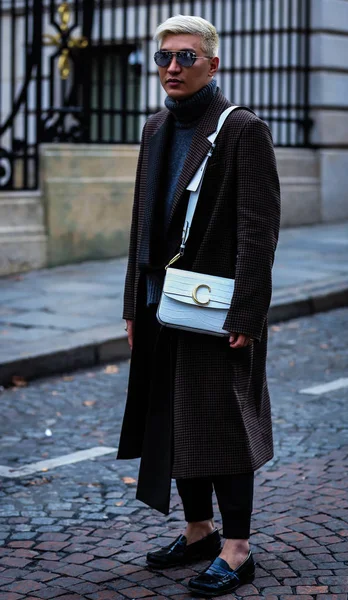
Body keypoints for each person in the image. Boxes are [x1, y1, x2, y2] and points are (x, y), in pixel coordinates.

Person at [117, 14, 280, 597]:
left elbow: (260, 232)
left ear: (213, 64)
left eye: (186, 57)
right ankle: (198, 532)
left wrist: (248, 315)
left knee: (225, 424)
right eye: (164, 57)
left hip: (218, 309)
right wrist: (134, 304)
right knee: (174, 421)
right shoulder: (155, 128)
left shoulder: (242, 131)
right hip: (163, 306)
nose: (172, 68)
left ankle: (236, 551)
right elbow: (143, 225)